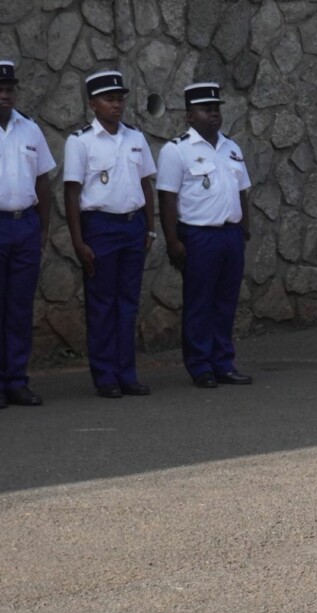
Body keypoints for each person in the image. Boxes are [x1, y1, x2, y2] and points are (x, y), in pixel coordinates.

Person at [64, 70, 157, 398]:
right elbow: (72, 192)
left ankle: (127, 374)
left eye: (120, 99)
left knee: (128, 302)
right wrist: (78, 241)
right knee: (102, 305)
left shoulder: (135, 138)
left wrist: (151, 227)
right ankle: (105, 376)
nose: (116, 105)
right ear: (93, 104)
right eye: (109, 99)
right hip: (100, 227)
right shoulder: (80, 142)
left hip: (132, 225)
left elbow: (146, 183)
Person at [156, 82, 252, 389]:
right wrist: (172, 241)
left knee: (226, 302)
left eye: (216, 108)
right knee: (199, 303)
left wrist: (243, 229)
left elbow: (242, 192)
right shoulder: (177, 150)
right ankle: (200, 366)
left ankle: (223, 362)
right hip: (199, 236)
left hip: (230, 235)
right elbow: (167, 198)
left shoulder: (231, 147)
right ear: (189, 115)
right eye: (205, 109)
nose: (213, 114)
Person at [0, 61, 54, 408]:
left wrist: (43, 229)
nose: (5, 95)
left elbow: (43, 181)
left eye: (9, 89)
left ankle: (15, 380)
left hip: (25, 226)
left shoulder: (30, 129)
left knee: (19, 308)